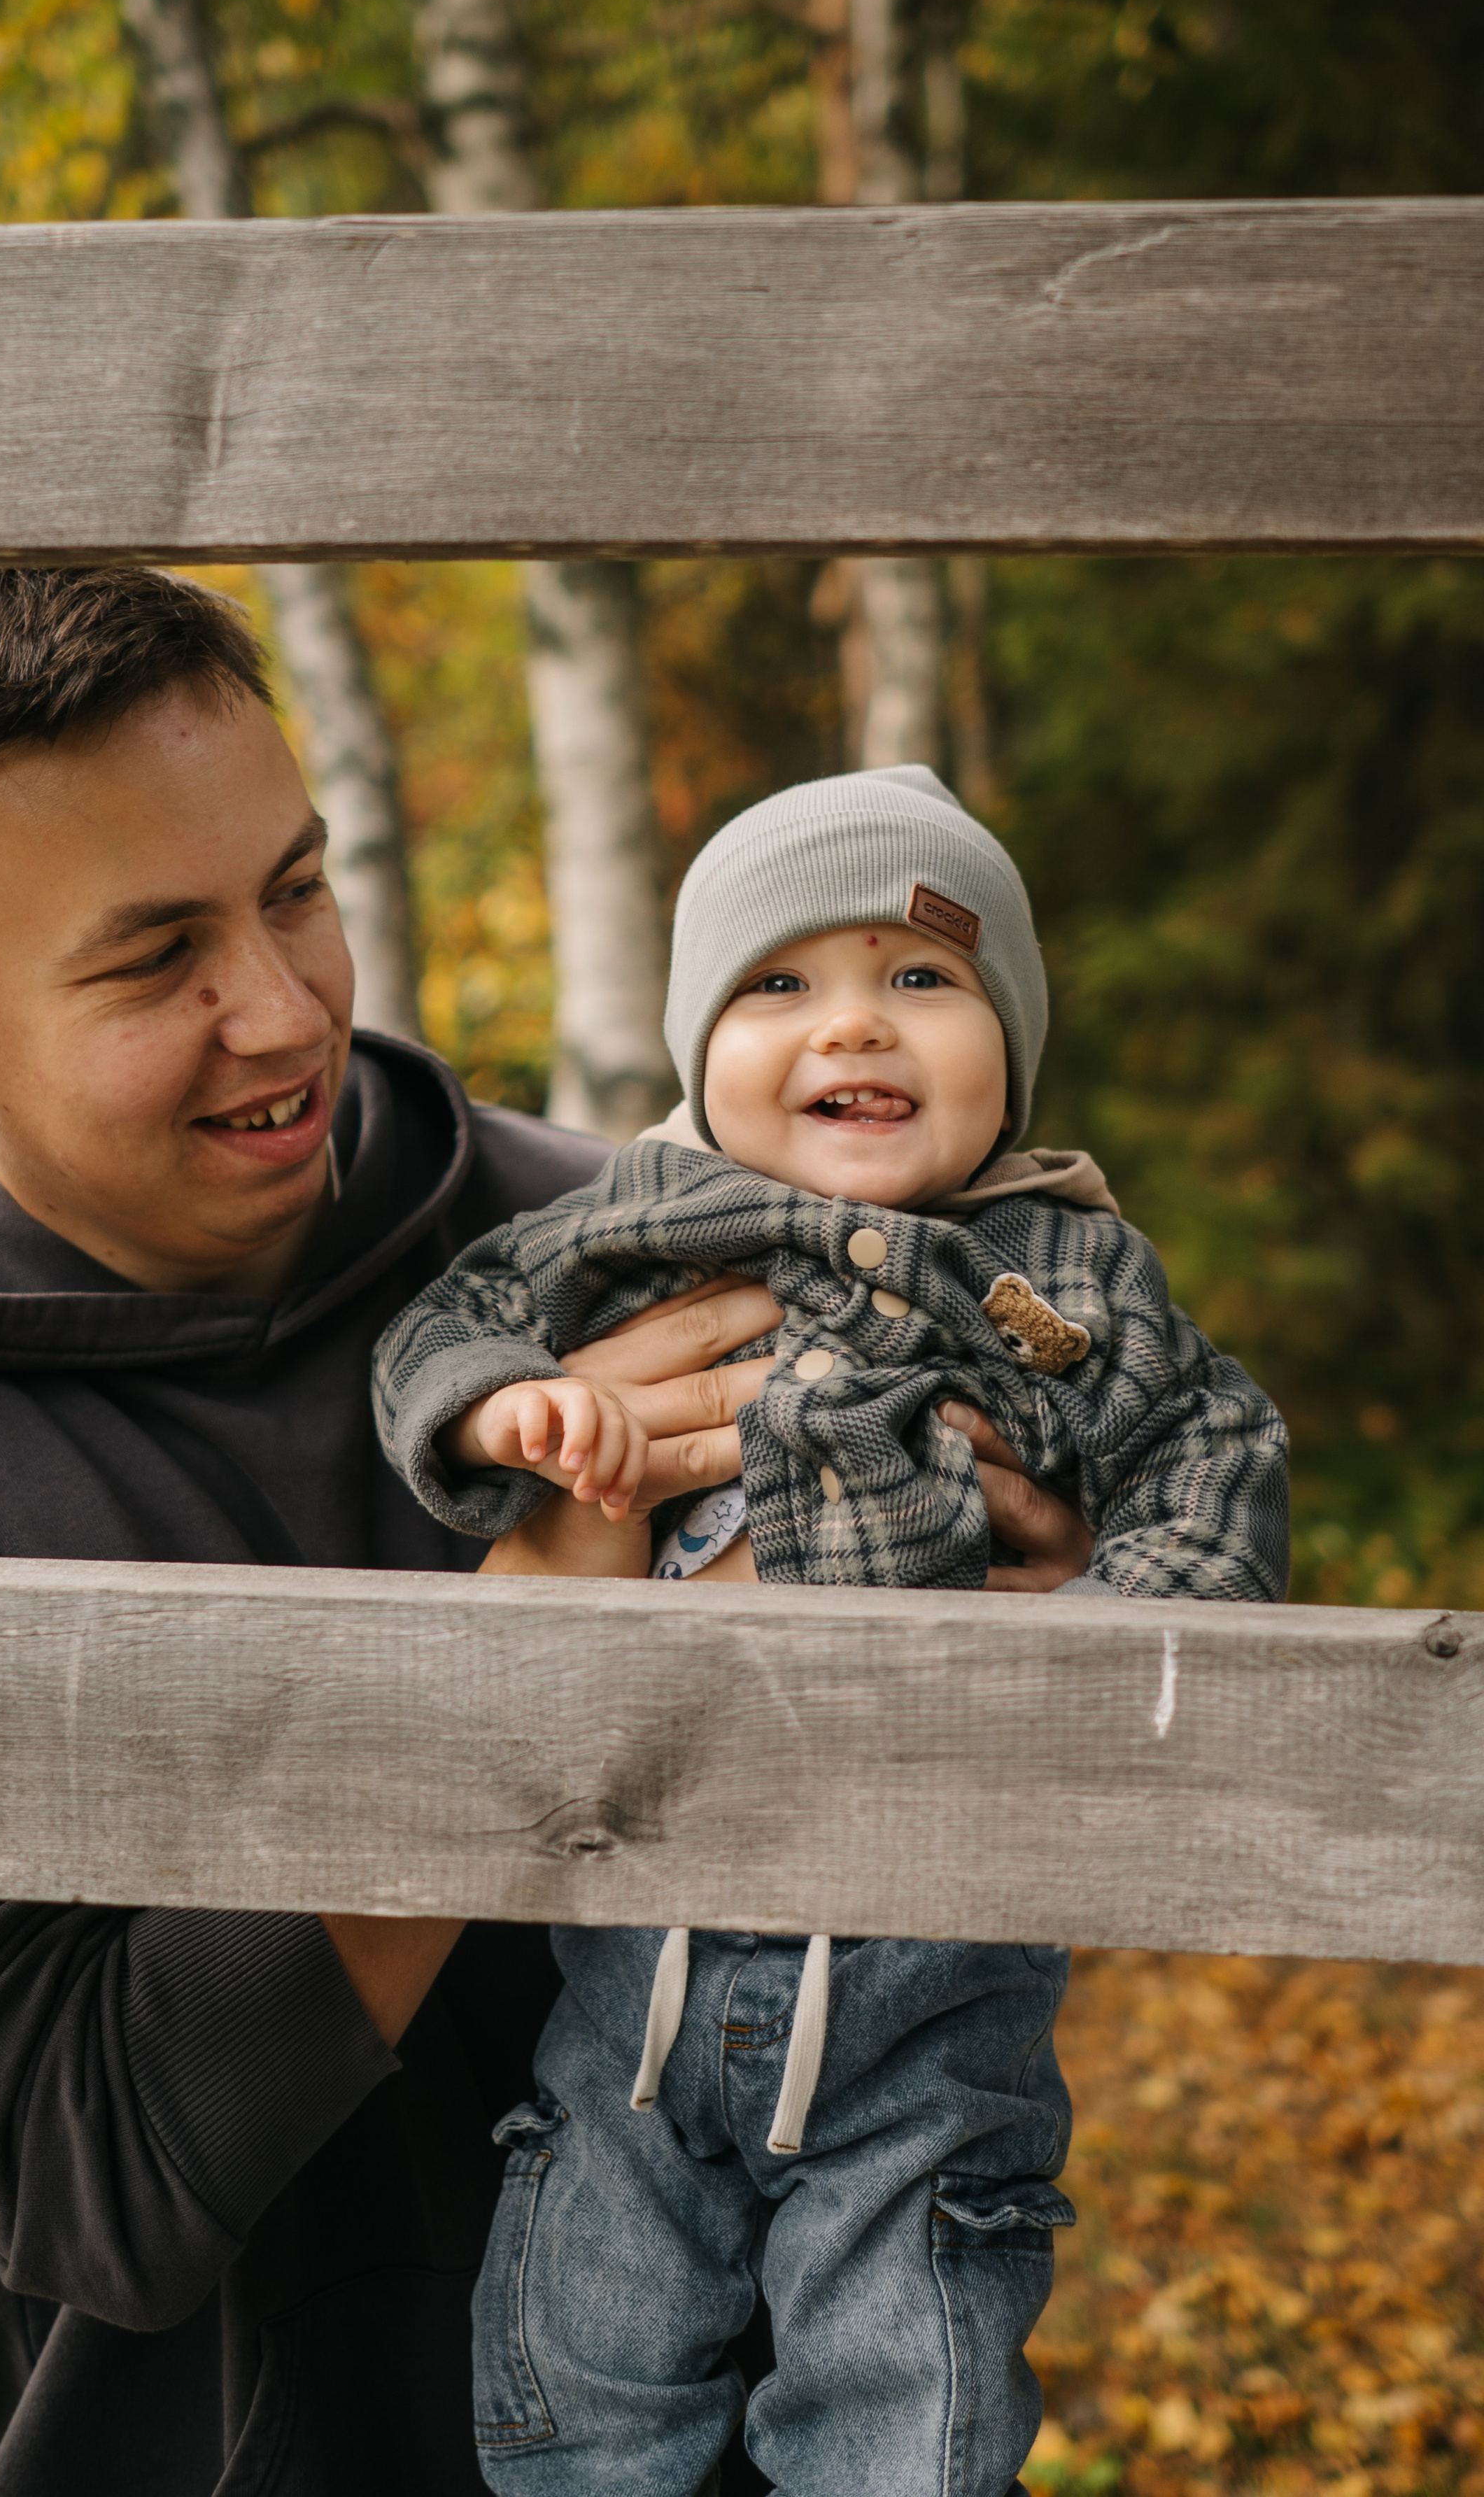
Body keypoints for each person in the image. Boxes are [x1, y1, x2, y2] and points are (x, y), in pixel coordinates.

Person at [0, 571, 1094, 2497]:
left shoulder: (623, 1238)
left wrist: (1033, 1576)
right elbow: (88, 2171)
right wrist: (523, 1654)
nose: (279, 1010)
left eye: (295, 888)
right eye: (151, 955)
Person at [373, 765, 1290, 2497]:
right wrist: (507, 1415)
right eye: (779, 984)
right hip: (640, 1940)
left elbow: (1211, 1456)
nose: (850, 1026)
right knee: (579, 2365)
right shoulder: (633, 1228)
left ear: (1010, 1046)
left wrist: (1107, 1642)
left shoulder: (1067, 1278)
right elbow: (455, 1318)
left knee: (910, 2403)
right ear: (694, 1042)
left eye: (921, 979)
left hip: (928, 1967)